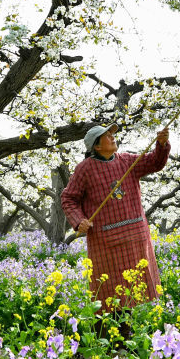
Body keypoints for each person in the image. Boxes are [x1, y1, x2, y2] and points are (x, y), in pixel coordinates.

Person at [60, 123, 170, 312]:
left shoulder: (127, 160)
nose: (112, 137)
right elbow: (69, 198)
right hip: (106, 243)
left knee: (133, 295)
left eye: (112, 134)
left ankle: (127, 329)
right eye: (107, 135)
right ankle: (108, 330)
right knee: (109, 300)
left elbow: (154, 162)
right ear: (96, 146)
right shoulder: (84, 169)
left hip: (135, 238)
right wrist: (79, 220)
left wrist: (161, 144)